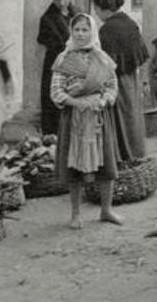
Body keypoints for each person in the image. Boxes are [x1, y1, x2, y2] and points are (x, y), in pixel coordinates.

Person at [50, 13, 123, 229]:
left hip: (99, 115)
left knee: (106, 165)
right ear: (71, 32)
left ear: (93, 32)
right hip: (74, 118)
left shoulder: (102, 58)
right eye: (77, 30)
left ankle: (106, 210)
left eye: (85, 30)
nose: (81, 34)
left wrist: (103, 101)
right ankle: (75, 214)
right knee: (74, 168)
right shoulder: (64, 59)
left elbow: (112, 86)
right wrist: (75, 101)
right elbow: (55, 91)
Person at [92, 0, 151, 162]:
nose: (95, 13)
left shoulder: (106, 30)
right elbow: (142, 55)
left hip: (114, 82)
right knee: (133, 117)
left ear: (102, 7)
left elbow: (104, 64)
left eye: (95, 9)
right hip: (131, 78)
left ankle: (122, 157)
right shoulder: (131, 23)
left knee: (118, 120)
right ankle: (137, 154)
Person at [37, 0, 80, 136]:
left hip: (77, 61)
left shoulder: (77, 15)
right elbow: (42, 39)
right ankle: (52, 133)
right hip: (56, 61)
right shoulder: (47, 18)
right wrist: (62, 46)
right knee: (54, 96)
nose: (61, 3)